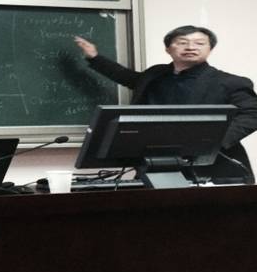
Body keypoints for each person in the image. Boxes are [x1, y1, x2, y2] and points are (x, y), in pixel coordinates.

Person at [74, 25, 257, 184]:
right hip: (156, 163)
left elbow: (252, 114)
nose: (191, 47)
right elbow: (126, 77)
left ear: (210, 49)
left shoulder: (230, 82)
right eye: (182, 42)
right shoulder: (155, 75)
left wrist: (213, 142)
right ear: (168, 49)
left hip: (216, 167)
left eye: (200, 43)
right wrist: (95, 57)